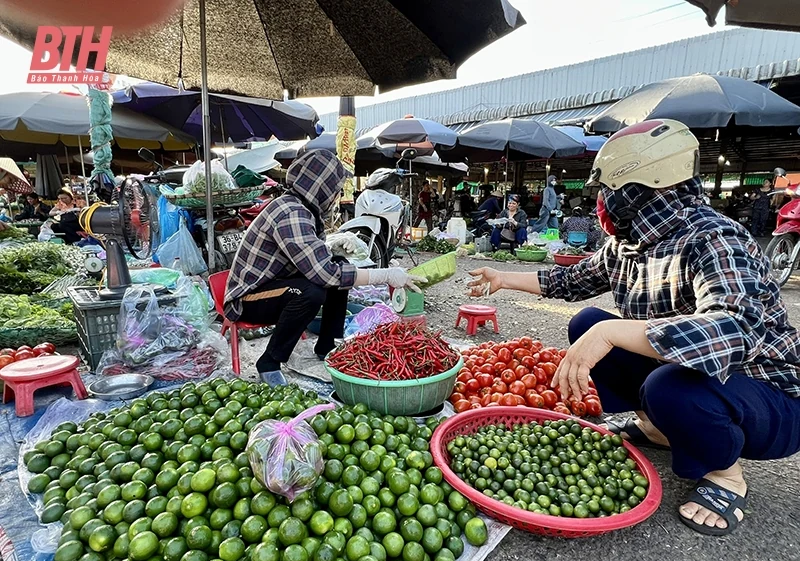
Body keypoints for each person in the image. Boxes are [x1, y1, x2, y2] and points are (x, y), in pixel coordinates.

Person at [468, 119, 800, 537]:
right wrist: (503, 277)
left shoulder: (715, 238)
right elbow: (571, 281)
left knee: (665, 384)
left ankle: (725, 474)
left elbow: (734, 329)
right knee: (588, 321)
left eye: (609, 192)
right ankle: (656, 428)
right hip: (695, 376)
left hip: (768, 395)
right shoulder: (632, 244)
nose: (602, 203)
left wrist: (611, 334)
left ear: (639, 191)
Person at [224, 149, 425, 387]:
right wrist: (385, 275)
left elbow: (320, 262)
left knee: (339, 266)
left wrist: (333, 250)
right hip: (248, 298)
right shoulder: (291, 213)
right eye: (335, 189)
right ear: (321, 186)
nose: (336, 195)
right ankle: (269, 362)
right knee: (312, 291)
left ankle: (327, 344)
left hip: (275, 284)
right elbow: (325, 275)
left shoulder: (301, 208)